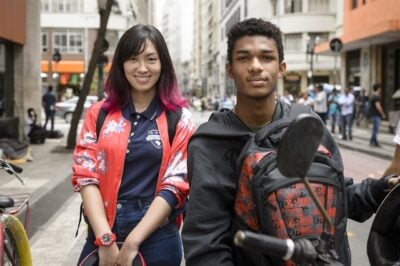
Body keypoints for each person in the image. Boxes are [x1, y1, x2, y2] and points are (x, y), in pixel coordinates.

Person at [181, 18, 400, 266]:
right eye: (244, 58)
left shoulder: (307, 123)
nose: (255, 66)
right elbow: (205, 243)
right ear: (229, 69)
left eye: (266, 57)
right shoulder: (210, 143)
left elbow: (339, 196)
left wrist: (383, 187)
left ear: (281, 67)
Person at [72, 24, 195, 266]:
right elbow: (85, 176)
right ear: (121, 64)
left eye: (151, 59)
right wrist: (105, 239)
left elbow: (176, 185)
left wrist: (131, 243)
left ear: (163, 65)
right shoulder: (98, 115)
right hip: (101, 230)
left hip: (157, 236)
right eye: (132, 59)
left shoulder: (180, 119)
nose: (142, 68)